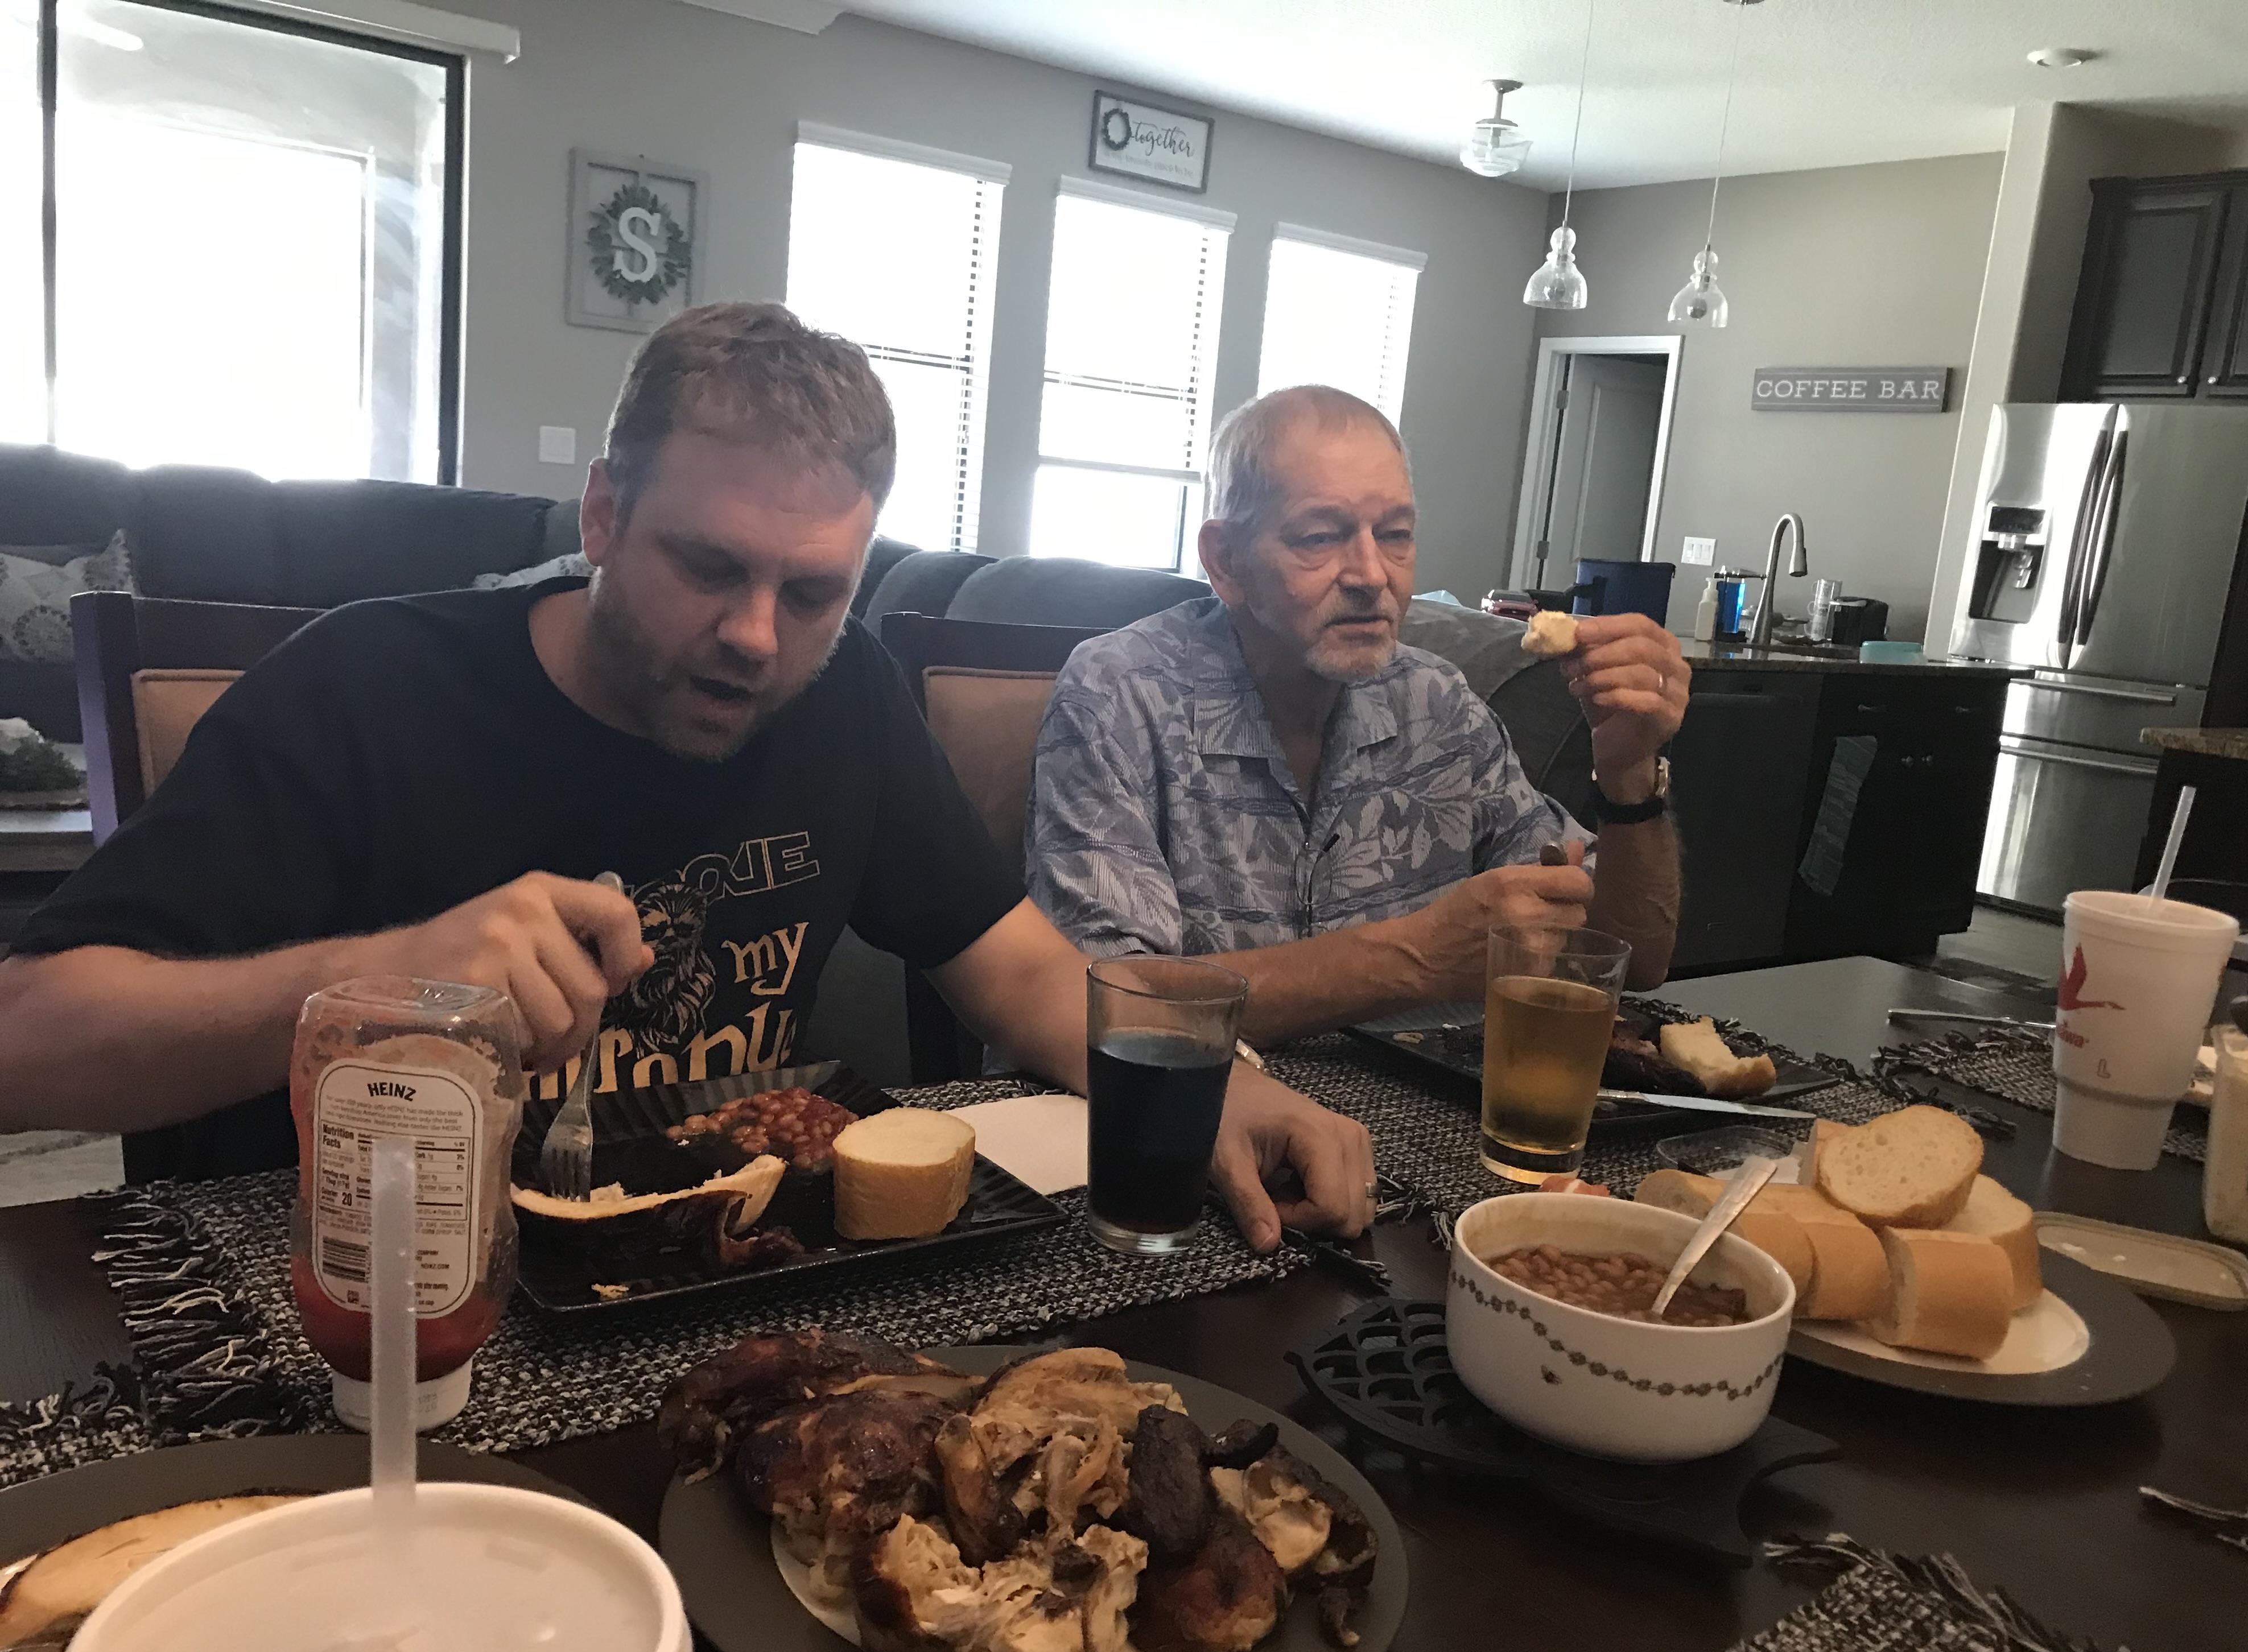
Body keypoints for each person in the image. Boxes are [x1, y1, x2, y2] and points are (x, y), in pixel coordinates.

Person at [0, 305, 1372, 1252]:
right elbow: (29, 1041)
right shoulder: (360, 688)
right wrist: (385, 979)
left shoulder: (849, 701)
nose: (757, 638)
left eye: (816, 591)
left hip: (713, 1285)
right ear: (603, 516)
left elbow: (1012, 971)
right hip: (364, 1310)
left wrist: (1213, 1084)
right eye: (710, 567)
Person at [1028, 385, 1686, 1042]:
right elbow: (1105, 1001)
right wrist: (1413, 958)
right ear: (1226, 561)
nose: (1373, 573)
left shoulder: (1438, 703)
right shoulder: (1121, 693)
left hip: (1412, 1119)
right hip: (1191, 1113)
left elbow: (1629, 960)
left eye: (1395, 535)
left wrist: (1628, 776)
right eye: (1320, 536)